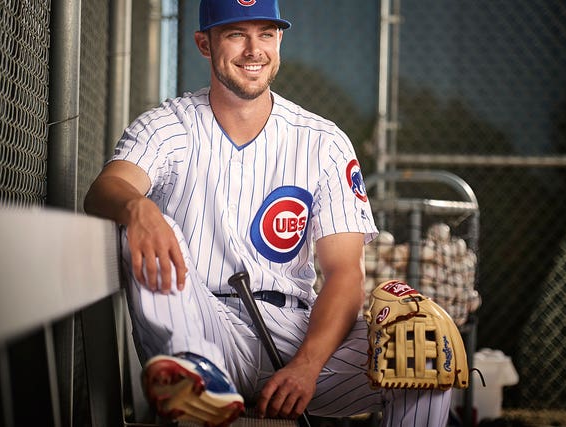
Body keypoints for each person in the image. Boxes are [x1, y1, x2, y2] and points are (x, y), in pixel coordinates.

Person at [84, 0, 453, 425]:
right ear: (204, 44)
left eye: (266, 33)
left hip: (297, 331)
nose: (253, 49)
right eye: (236, 34)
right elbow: (105, 190)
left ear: (279, 41)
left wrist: (307, 366)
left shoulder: (323, 142)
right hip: (202, 324)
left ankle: (206, 384)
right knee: (144, 219)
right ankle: (198, 381)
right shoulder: (168, 126)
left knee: (419, 362)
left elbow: (345, 273)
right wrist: (137, 208)